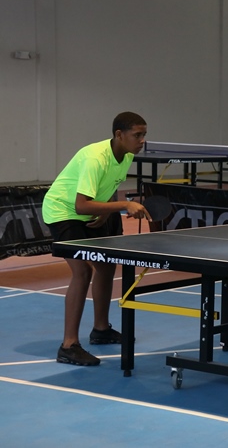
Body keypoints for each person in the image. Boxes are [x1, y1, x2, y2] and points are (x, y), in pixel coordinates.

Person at [43, 112, 151, 366]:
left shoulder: (126, 155)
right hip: (63, 212)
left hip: (90, 213)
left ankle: (101, 330)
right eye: (137, 135)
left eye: (144, 135)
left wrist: (105, 211)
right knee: (82, 272)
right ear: (119, 135)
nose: (142, 140)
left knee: (106, 265)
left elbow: (108, 185)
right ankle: (68, 345)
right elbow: (80, 205)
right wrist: (123, 205)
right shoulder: (95, 157)